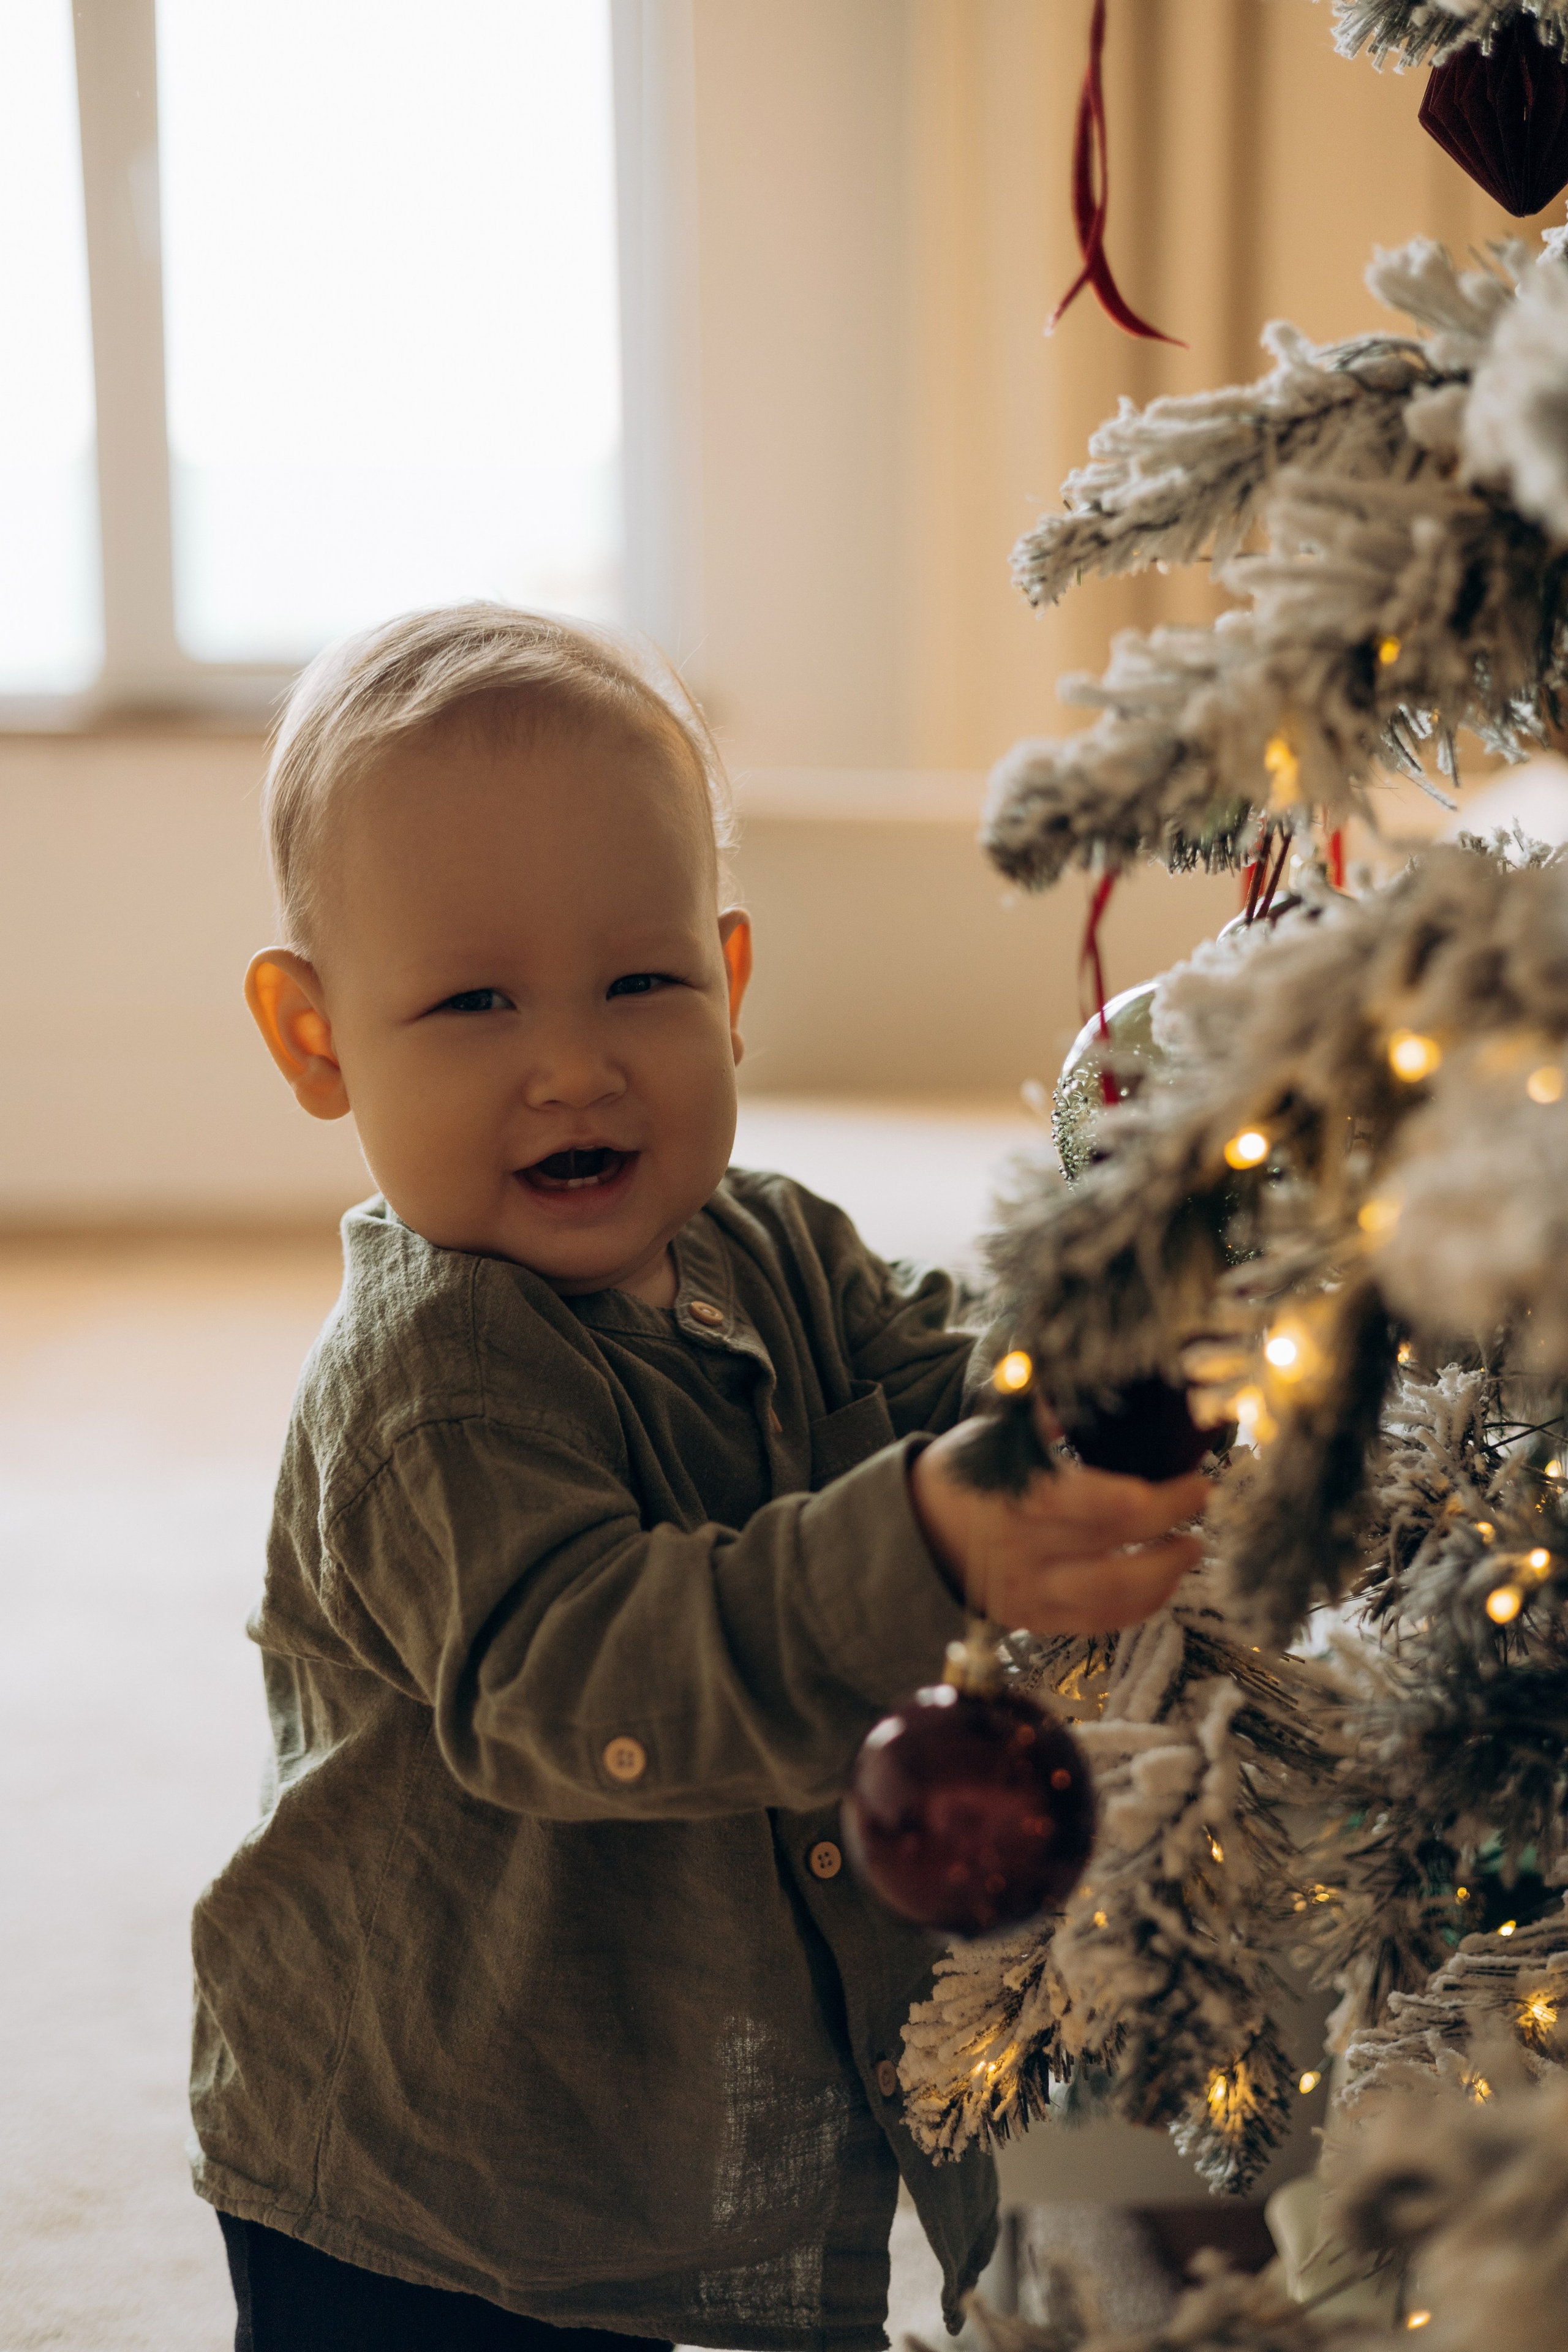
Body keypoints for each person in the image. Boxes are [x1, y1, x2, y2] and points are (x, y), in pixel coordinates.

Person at [192, 605, 1207, 2352]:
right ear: (318, 1041)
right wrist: (930, 1535)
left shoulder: (771, 1245)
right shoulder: (429, 1384)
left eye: (639, 983)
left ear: (728, 985)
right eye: (475, 999)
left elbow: (934, 1377)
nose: (573, 1061)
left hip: (692, 2111)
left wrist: (1119, 1385)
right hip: (433, 2186)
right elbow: (591, 1677)